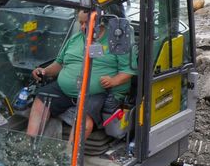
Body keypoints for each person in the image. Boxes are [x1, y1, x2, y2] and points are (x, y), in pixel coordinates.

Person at [26, 10, 135, 141]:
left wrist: (112, 81)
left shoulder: (117, 42)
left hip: (97, 92)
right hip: (65, 89)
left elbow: (128, 71)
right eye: (81, 23)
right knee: (40, 100)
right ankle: (29, 143)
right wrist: (44, 71)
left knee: (84, 117)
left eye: (87, 23)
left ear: (100, 22)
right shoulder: (75, 39)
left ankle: (70, 155)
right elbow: (59, 64)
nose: (83, 27)